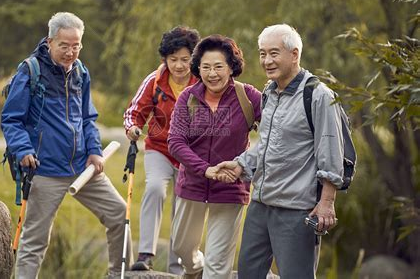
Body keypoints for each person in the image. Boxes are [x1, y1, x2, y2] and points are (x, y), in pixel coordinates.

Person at [1, 12, 133, 279]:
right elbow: (11, 119)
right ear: (50, 41)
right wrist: (23, 150)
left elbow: (87, 117)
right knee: (35, 240)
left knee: (119, 213)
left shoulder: (81, 72)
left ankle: (121, 275)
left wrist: (95, 150)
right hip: (45, 169)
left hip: (82, 167)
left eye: (76, 45)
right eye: (64, 45)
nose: (71, 52)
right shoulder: (30, 71)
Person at [215, 24, 344, 278]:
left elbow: (331, 152)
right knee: (248, 274)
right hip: (260, 205)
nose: (266, 60)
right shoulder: (269, 92)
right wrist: (241, 164)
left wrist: (327, 202)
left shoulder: (318, 96)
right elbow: (268, 143)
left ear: (294, 54)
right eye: (262, 53)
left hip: (296, 210)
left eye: (274, 53)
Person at [167, 34, 261, 279]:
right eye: (206, 67)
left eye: (218, 66)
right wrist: (205, 169)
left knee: (218, 264)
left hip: (231, 187)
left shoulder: (248, 97)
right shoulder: (188, 98)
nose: (212, 74)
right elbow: (175, 142)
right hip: (193, 185)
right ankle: (195, 266)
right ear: (198, 68)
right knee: (182, 247)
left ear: (232, 67)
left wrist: (247, 163)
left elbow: (277, 129)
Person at [123, 26, 200, 274]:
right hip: (160, 149)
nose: (179, 66)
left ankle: (177, 264)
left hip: (190, 154)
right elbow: (134, 113)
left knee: (183, 203)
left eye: (185, 60)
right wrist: (133, 127)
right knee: (155, 188)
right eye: (173, 59)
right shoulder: (155, 80)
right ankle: (146, 254)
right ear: (164, 59)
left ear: (194, 59)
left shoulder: (203, 81)